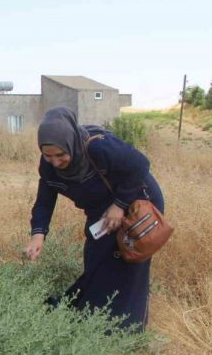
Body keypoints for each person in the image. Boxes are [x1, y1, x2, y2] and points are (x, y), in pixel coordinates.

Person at [24, 106, 164, 332]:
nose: (55, 162)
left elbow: (140, 165)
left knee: (129, 260)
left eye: (61, 155)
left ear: (71, 142)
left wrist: (119, 205)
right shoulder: (49, 167)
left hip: (137, 201)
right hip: (100, 210)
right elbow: (44, 201)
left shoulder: (98, 147)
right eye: (48, 155)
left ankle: (126, 330)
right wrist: (37, 235)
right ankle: (93, 319)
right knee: (97, 259)